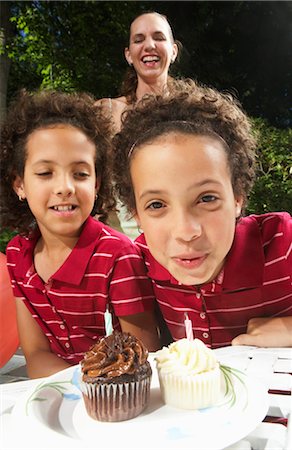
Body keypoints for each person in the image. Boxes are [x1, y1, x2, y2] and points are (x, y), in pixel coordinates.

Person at [112, 78, 292, 349]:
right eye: (157, 205)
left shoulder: (284, 244)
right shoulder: (140, 265)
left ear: (237, 198)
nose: (186, 232)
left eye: (207, 198)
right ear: (136, 214)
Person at [0, 89, 160, 378]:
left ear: (97, 183)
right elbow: (36, 355)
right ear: (19, 184)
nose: (65, 187)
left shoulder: (118, 256)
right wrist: (75, 388)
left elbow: (142, 361)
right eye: (45, 173)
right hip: (57, 396)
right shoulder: (17, 255)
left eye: (80, 173)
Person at [96, 11, 180, 239]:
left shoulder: (193, 117)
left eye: (159, 37)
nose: (149, 45)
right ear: (128, 54)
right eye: (139, 39)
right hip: (119, 249)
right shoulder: (104, 112)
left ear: (173, 51)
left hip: (177, 244)